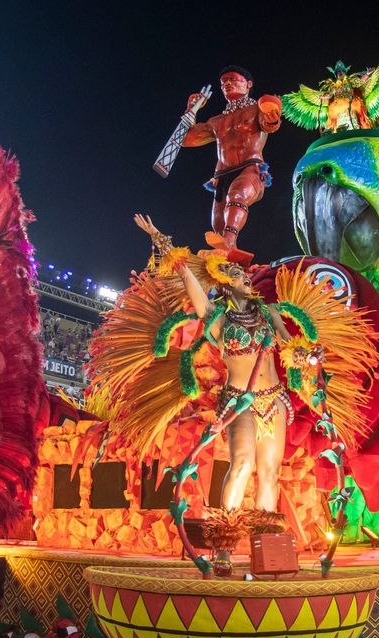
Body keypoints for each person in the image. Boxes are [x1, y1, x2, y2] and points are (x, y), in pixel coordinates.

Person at [134, 214, 294, 570]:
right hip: (240, 401)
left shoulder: (268, 312)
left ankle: (266, 550)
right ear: (224, 284)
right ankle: (223, 545)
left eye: (245, 274)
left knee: (270, 472)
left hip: (275, 400)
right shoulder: (219, 320)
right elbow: (191, 284)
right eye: (237, 275)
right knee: (242, 464)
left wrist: (307, 355)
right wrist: (163, 241)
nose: (246, 278)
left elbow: (290, 346)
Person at [181, 66, 282, 249]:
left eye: (233, 79)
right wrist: (192, 109)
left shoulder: (256, 109)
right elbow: (186, 139)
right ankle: (228, 257)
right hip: (222, 175)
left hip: (249, 168)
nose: (227, 83)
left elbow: (269, 124)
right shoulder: (216, 121)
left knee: (237, 195)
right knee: (218, 225)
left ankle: (229, 243)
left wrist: (271, 113)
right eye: (223, 82)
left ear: (248, 84)